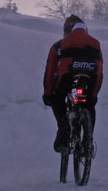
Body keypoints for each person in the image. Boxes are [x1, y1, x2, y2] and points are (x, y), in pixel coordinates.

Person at [43, 14, 103, 152]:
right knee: (88, 105)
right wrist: (93, 96)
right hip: (90, 76)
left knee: (57, 98)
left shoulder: (58, 46)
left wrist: (48, 94)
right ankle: (88, 141)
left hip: (67, 75)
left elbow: (50, 72)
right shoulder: (94, 44)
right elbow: (100, 72)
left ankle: (64, 129)